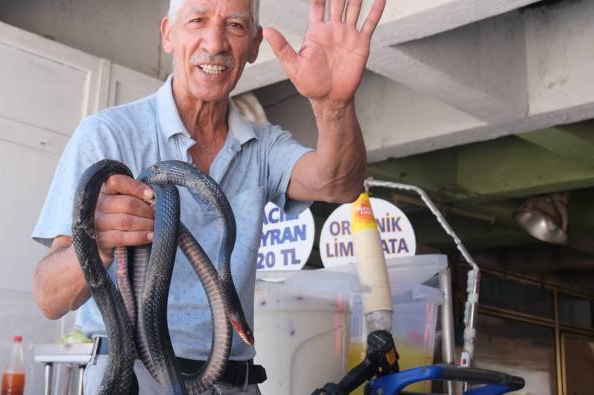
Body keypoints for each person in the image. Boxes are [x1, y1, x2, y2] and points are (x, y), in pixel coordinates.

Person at [32, 0, 386, 393]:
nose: (215, 42)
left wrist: (334, 106)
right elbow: (49, 298)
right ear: (168, 34)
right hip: (129, 376)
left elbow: (340, 184)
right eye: (197, 20)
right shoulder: (108, 134)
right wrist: (95, 245)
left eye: (235, 25)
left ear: (253, 46)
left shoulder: (263, 146)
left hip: (235, 382)